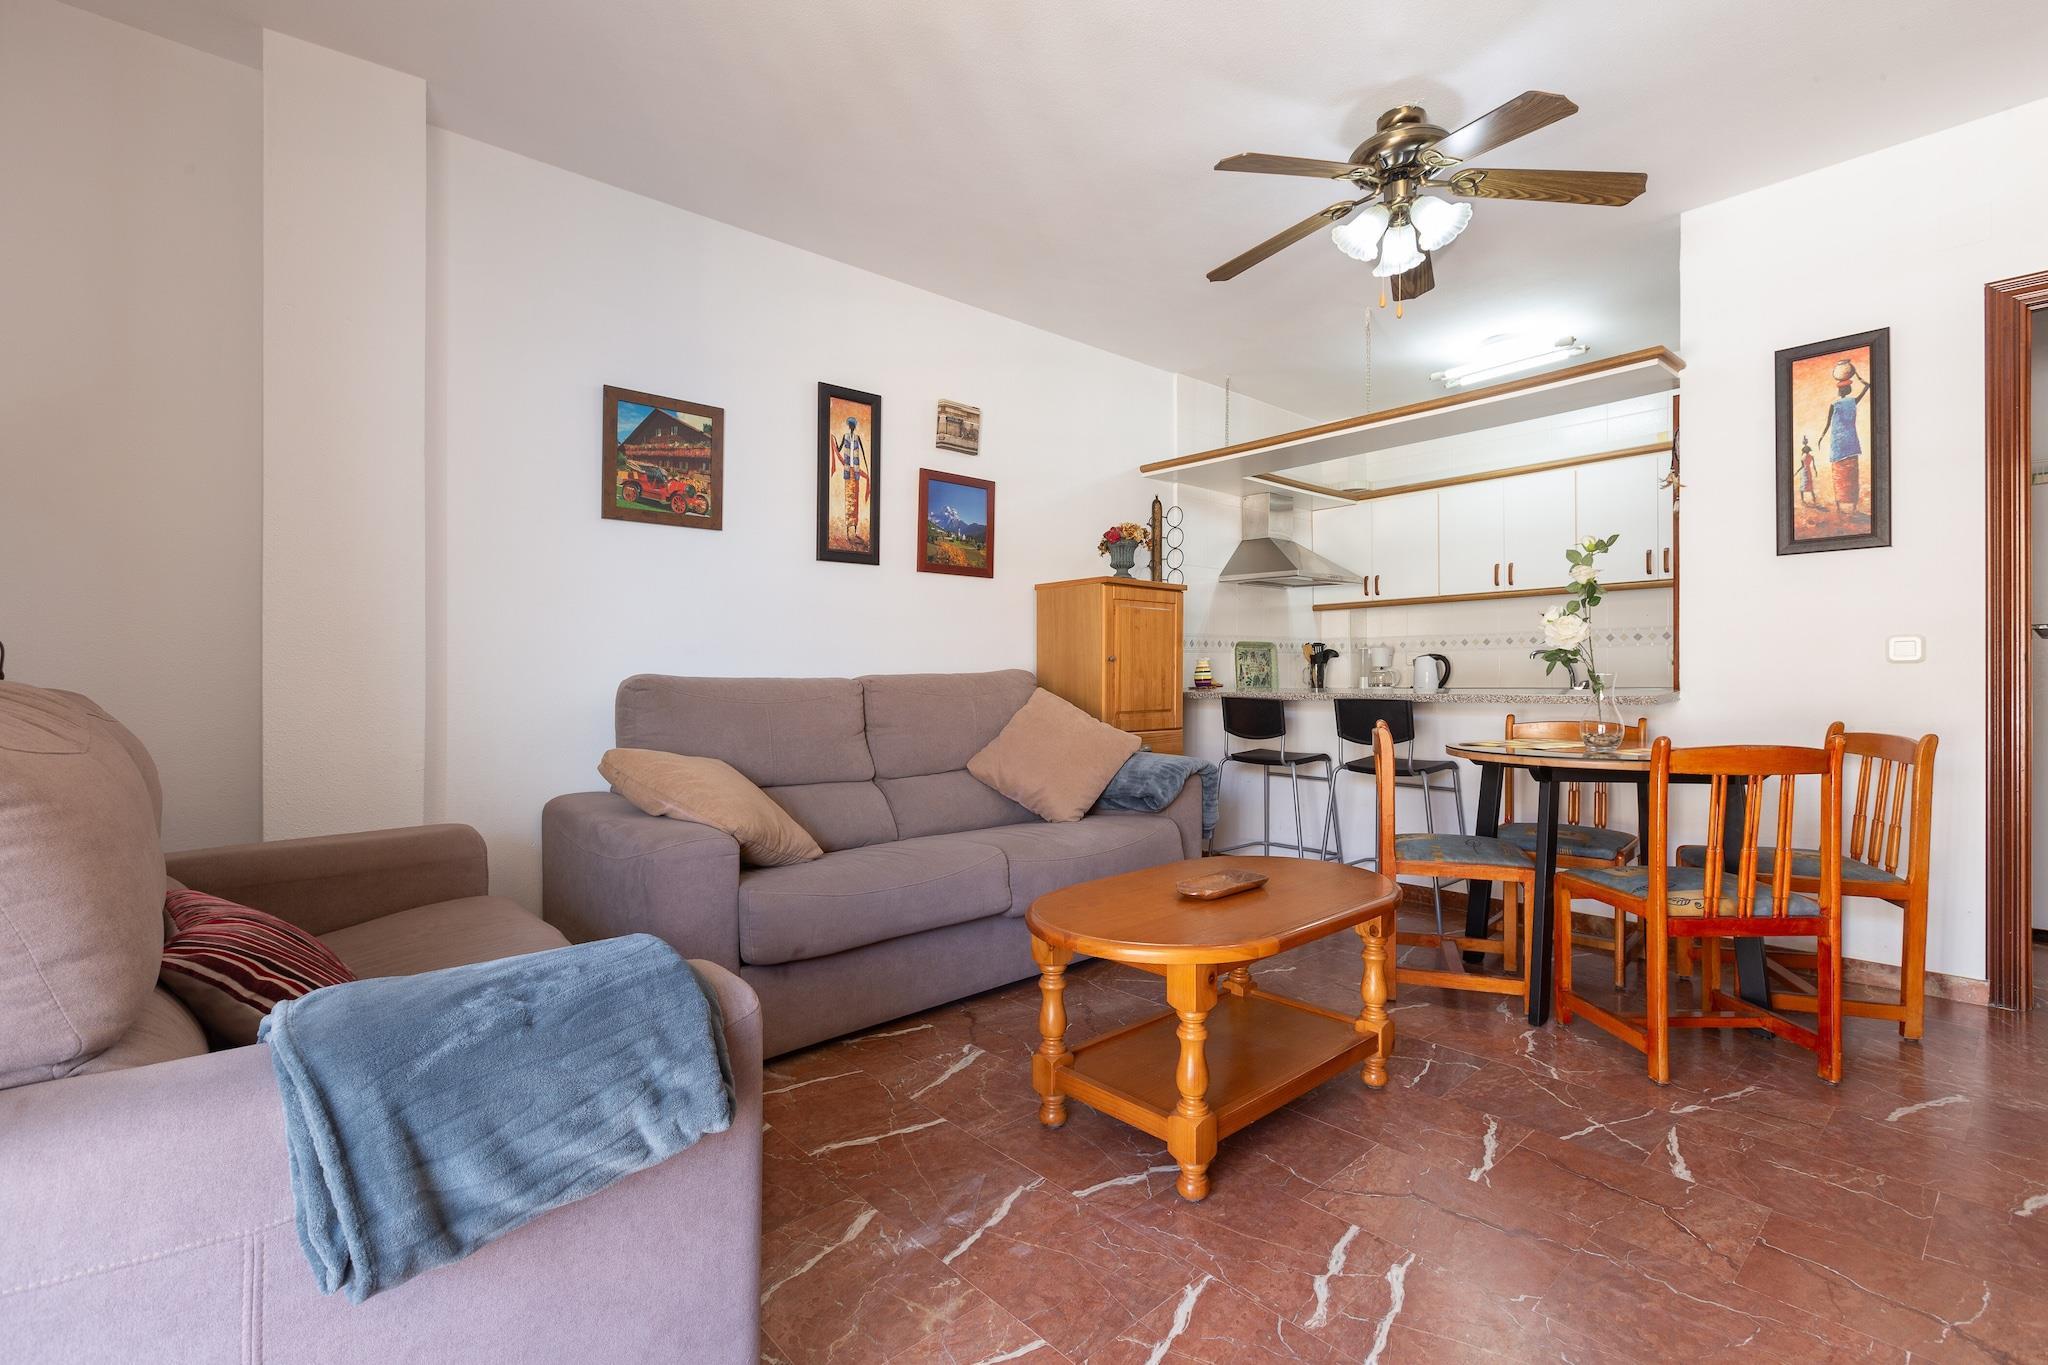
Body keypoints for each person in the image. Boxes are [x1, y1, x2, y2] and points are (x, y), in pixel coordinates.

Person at [1814, 360, 1871, 513]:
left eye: (1840, 389)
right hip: (1851, 443)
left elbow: (1828, 424)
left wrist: (1821, 436)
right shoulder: (1853, 401)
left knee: (1840, 475)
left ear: (1841, 390)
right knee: (1851, 474)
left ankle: (1841, 506)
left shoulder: (1835, 404)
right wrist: (1857, 375)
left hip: (1838, 444)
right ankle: (1851, 506)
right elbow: (1868, 386)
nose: (1839, 391)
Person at [833, 415, 869, 547]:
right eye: (851, 425)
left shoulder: (858, 438)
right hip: (848, 472)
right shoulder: (846, 436)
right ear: (849, 426)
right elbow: (839, 448)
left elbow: (863, 454)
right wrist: (833, 441)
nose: (852, 427)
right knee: (849, 500)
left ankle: (855, 529)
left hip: (856, 472)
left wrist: (868, 470)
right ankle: (848, 531)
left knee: (855, 500)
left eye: (853, 425)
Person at [1797, 436, 1819, 508]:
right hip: (1808, 471)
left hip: (1804, 471)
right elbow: (1814, 465)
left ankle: (1803, 500)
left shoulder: (1802, 457)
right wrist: (1815, 471)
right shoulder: (1811, 457)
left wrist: (1797, 471)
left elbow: (1802, 466)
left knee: (1803, 486)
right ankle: (1814, 499)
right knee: (1810, 486)